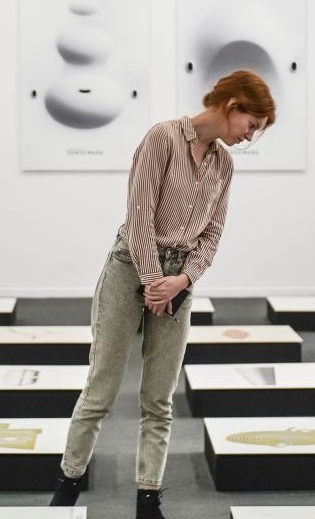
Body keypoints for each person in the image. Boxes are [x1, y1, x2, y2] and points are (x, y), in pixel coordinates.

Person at [49, 70, 275, 519]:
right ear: (233, 106)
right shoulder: (162, 139)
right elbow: (139, 216)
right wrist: (155, 283)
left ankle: (148, 499)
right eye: (251, 126)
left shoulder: (224, 165)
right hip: (129, 269)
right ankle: (68, 485)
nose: (250, 138)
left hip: (179, 284)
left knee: (159, 399)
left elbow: (211, 235)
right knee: (101, 389)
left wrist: (183, 281)